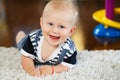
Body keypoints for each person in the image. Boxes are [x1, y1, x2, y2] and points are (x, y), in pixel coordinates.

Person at [16, 0, 78, 76]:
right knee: (21, 44)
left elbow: (68, 65)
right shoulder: (33, 40)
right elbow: (26, 57)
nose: (55, 30)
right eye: (50, 24)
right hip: (26, 41)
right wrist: (31, 71)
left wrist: (53, 69)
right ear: (42, 23)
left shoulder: (69, 48)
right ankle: (20, 36)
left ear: (71, 31)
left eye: (61, 27)